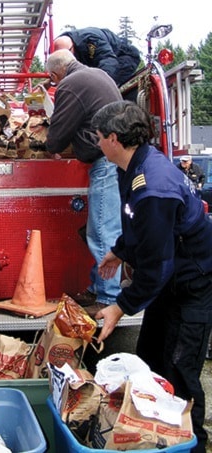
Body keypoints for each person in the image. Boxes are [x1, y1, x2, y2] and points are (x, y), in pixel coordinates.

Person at [92, 101, 212, 453]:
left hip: (193, 280)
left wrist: (120, 307)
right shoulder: (132, 165)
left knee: (181, 369)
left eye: (99, 137)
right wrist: (120, 250)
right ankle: (154, 436)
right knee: (149, 358)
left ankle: (192, 445)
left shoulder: (153, 186)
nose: (96, 143)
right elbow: (138, 224)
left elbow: (156, 265)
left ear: (114, 138)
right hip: (170, 279)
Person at [45, 49, 123, 317]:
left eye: (52, 80)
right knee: (102, 228)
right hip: (115, 160)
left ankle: (108, 297)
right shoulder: (97, 74)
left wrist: (47, 142)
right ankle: (97, 287)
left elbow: (55, 138)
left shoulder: (69, 84)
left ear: (55, 75)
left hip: (105, 163)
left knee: (102, 232)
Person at [53, 27, 141, 87]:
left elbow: (108, 62)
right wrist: (51, 81)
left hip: (123, 58)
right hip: (97, 63)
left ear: (72, 48)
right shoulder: (62, 42)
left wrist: (97, 86)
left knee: (106, 86)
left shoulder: (92, 40)